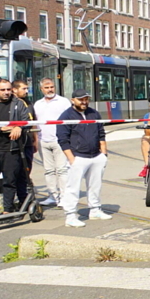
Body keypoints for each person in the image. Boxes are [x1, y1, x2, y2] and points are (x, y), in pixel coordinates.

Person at [57, 88, 111, 227]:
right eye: (81, 99)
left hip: (96, 155)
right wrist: (71, 158)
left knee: (95, 185)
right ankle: (70, 216)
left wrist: (103, 154)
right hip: (78, 157)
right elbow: (62, 139)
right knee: (72, 188)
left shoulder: (94, 113)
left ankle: (95, 210)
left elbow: (101, 133)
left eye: (86, 99)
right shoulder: (66, 116)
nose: (84, 102)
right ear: (72, 100)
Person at [0, 79, 30, 215]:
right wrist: (1, 128)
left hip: (12, 149)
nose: (6, 92)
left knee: (10, 181)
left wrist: (19, 126)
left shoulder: (18, 103)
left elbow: (27, 120)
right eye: (3, 90)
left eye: (8, 89)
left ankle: (7, 210)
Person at [33, 78, 70, 207]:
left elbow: (70, 120)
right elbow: (35, 123)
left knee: (62, 170)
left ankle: (65, 197)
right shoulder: (38, 104)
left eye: (52, 87)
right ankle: (52, 196)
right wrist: (36, 140)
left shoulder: (63, 102)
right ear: (41, 89)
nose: (50, 89)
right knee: (49, 170)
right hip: (43, 140)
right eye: (47, 87)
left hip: (60, 141)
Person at [11, 79, 37, 208]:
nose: (26, 91)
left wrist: (35, 140)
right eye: (24, 89)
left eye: (27, 88)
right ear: (14, 90)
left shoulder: (28, 102)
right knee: (17, 171)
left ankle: (23, 196)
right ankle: (19, 197)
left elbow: (33, 122)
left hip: (28, 142)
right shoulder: (13, 104)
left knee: (26, 170)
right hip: (17, 143)